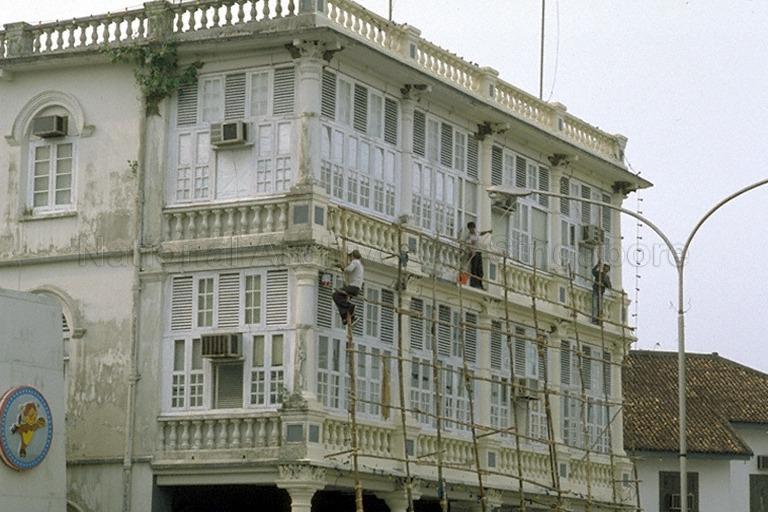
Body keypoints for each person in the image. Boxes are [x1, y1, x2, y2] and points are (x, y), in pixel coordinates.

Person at [333, 249, 364, 326]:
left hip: (353, 287)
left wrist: (342, 268)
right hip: (356, 288)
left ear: (353, 256)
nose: (350, 259)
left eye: (350, 257)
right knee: (343, 300)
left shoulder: (355, 262)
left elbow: (349, 269)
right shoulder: (360, 265)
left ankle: (351, 307)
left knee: (335, 295)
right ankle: (349, 317)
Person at [464, 222, 491, 289]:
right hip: (474, 253)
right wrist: (471, 251)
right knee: (474, 269)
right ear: (469, 228)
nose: (473, 229)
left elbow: (481, 233)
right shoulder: (469, 237)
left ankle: (480, 284)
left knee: (480, 270)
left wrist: (488, 232)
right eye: (471, 228)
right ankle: (474, 283)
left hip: (478, 252)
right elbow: (468, 245)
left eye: (474, 228)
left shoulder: (476, 233)